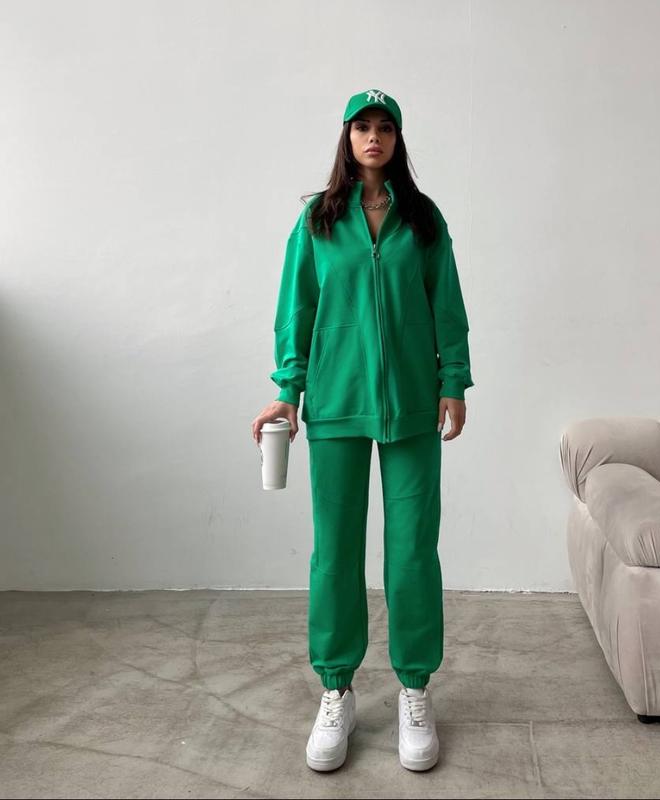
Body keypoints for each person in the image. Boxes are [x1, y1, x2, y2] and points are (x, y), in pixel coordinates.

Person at [252, 88, 473, 773]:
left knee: (412, 552)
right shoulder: (317, 221)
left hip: (411, 405)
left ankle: (414, 689)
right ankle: (337, 690)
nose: (373, 137)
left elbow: (446, 303)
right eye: (362, 127)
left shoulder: (423, 218)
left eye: (385, 127)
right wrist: (287, 391)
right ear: (347, 139)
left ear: (397, 140)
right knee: (335, 552)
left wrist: (453, 380)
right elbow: (297, 309)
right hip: (337, 402)